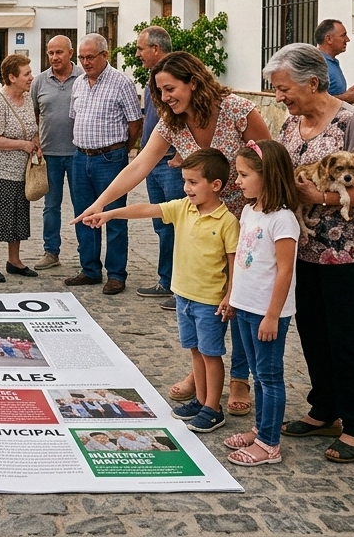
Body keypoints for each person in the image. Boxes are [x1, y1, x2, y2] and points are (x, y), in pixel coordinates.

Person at [77, 50, 266, 412]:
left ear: (193, 82)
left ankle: (239, 379)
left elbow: (271, 159)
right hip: (201, 221)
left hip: (246, 218)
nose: (165, 98)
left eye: (170, 89)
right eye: (159, 92)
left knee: (240, 299)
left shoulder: (238, 110)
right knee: (203, 297)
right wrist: (100, 204)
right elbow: (139, 167)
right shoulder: (172, 123)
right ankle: (202, 375)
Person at [267, 43, 354, 464]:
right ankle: (325, 410)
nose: (279, 97)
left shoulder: (351, 122)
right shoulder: (291, 123)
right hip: (305, 249)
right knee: (314, 332)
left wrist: (320, 195)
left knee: (349, 338)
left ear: (312, 82)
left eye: (284, 89)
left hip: (350, 253)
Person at [83, 149, 239, 434]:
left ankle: (213, 409)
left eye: (193, 182)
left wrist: (230, 296)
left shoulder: (227, 221)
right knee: (195, 350)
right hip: (184, 295)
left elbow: (234, 264)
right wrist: (108, 213)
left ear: (215, 185)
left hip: (209, 301)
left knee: (210, 354)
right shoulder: (183, 208)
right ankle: (201, 400)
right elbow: (145, 209)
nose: (186, 188)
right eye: (185, 181)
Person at [221, 140, 302, 467]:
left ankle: (270, 444)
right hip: (245, 307)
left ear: (267, 176)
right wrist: (231, 297)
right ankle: (261, 428)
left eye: (243, 174)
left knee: (269, 376)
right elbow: (243, 260)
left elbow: (285, 271)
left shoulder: (283, 221)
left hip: (268, 313)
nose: (237, 181)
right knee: (256, 373)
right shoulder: (250, 211)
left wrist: (272, 316)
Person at [66, 34, 143, 294]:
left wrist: (123, 151)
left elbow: (135, 123)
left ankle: (116, 274)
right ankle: (90, 270)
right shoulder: (78, 84)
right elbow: (74, 118)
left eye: (90, 57)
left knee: (115, 216)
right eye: (82, 58)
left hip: (110, 158)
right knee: (85, 214)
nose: (85, 62)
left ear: (105, 55)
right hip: (80, 157)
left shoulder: (121, 83)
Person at [0, 54, 42, 283]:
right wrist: (22, 145)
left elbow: (31, 127)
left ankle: (15, 261)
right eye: (27, 74)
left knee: (17, 216)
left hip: (20, 170)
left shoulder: (26, 98)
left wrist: (35, 144)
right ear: (12, 77)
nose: (31, 77)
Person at [133, 26, 180, 307]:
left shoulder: (176, 77)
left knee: (177, 225)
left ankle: (180, 287)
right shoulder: (154, 78)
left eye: (140, 49)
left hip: (172, 163)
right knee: (162, 226)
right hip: (154, 163)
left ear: (155, 49)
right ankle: (166, 281)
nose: (137, 54)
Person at [29, 35, 83, 271]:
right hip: (49, 154)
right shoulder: (39, 81)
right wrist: (35, 139)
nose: (54, 57)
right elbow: (33, 114)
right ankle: (51, 252)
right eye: (50, 53)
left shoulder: (84, 78)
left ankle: (86, 255)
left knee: (83, 206)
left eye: (59, 52)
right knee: (51, 206)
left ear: (70, 53)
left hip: (79, 154)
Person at [316, 19, 354, 103]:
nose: (347, 39)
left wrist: (347, 95)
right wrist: (345, 97)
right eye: (343, 35)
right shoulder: (317, 64)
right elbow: (313, 101)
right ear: (329, 39)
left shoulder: (332, 62)